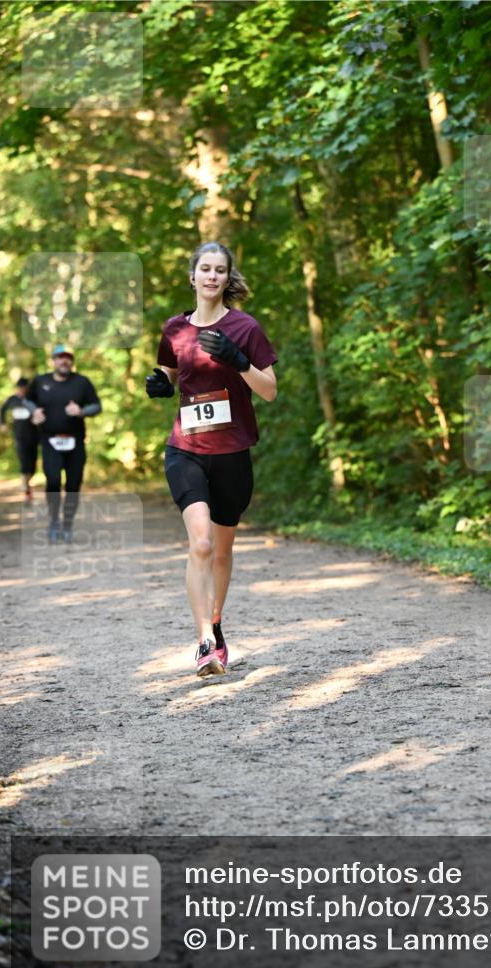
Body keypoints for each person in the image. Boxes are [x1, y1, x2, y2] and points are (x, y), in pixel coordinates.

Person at [146, 241, 278, 678]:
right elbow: (168, 373)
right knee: (199, 544)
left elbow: (269, 390)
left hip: (232, 453)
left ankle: (217, 625)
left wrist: (239, 361)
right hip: (185, 450)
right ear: (193, 275)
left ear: (226, 277)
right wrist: (160, 385)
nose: (212, 276)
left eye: (220, 270)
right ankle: (204, 642)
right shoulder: (175, 328)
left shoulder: (245, 328)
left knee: (222, 553)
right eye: (205, 269)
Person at [27, 345, 102, 543]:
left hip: (75, 442)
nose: (64, 361)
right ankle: (53, 522)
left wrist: (82, 411)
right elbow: (27, 401)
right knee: (52, 482)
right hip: (50, 441)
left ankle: (67, 524)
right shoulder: (40, 381)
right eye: (60, 357)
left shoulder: (82, 382)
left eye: (68, 357)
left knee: (73, 485)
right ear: (53, 360)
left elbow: (97, 406)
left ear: (72, 361)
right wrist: (33, 412)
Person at [0, 377, 40, 501]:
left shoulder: (33, 400)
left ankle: (28, 483)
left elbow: (41, 413)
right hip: (19, 436)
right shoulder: (12, 400)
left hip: (33, 437)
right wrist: (3, 423)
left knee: (32, 465)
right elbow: (2, 409)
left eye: (24, 388)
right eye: (19, 388)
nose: (21, 391)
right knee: (23, 462)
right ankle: (26, 488)